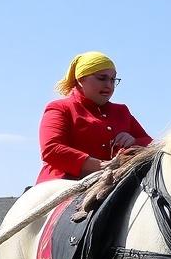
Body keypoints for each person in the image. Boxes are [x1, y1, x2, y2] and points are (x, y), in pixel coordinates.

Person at [37, 51, 152, 183]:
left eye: (113, 79)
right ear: (81, 80)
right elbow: (51, 149)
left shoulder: (121, 111)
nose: (109, 85)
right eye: (102, 78)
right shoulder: (61, 107)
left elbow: (149, 143)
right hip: (63, 184)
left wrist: (133, 142)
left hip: (114, 184)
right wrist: (100, 166)